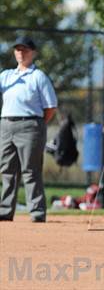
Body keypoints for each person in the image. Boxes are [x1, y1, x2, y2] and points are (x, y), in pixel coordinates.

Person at [0, 36, 57, 222]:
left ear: (33, 52)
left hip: (30, 125)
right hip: (7, 125)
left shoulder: (38, 76)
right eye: (17, 49)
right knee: (7, 169)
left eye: (24, 49)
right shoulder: (7, 76)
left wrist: (37, 125)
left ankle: (37, 212)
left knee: (31, 170)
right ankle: (5, 211)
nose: (20, 53)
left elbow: (51, 107)